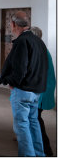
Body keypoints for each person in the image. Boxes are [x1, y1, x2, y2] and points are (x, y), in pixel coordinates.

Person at [0, 11, 48, 156]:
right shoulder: (39, 41)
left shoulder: (22, 41)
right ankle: (39, 154)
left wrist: (11, 82)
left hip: (23, 90)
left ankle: (28, 155)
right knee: (33, 122)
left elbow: (20, 69)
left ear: (13, 24)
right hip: (37, 91)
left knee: (22, 125)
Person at [30, 26, 55, 157]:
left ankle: (46, 150)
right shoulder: (40, 47)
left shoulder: (38, 50)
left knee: (35, 118)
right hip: (43, 88)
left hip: (42, 90)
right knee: (32, 117)